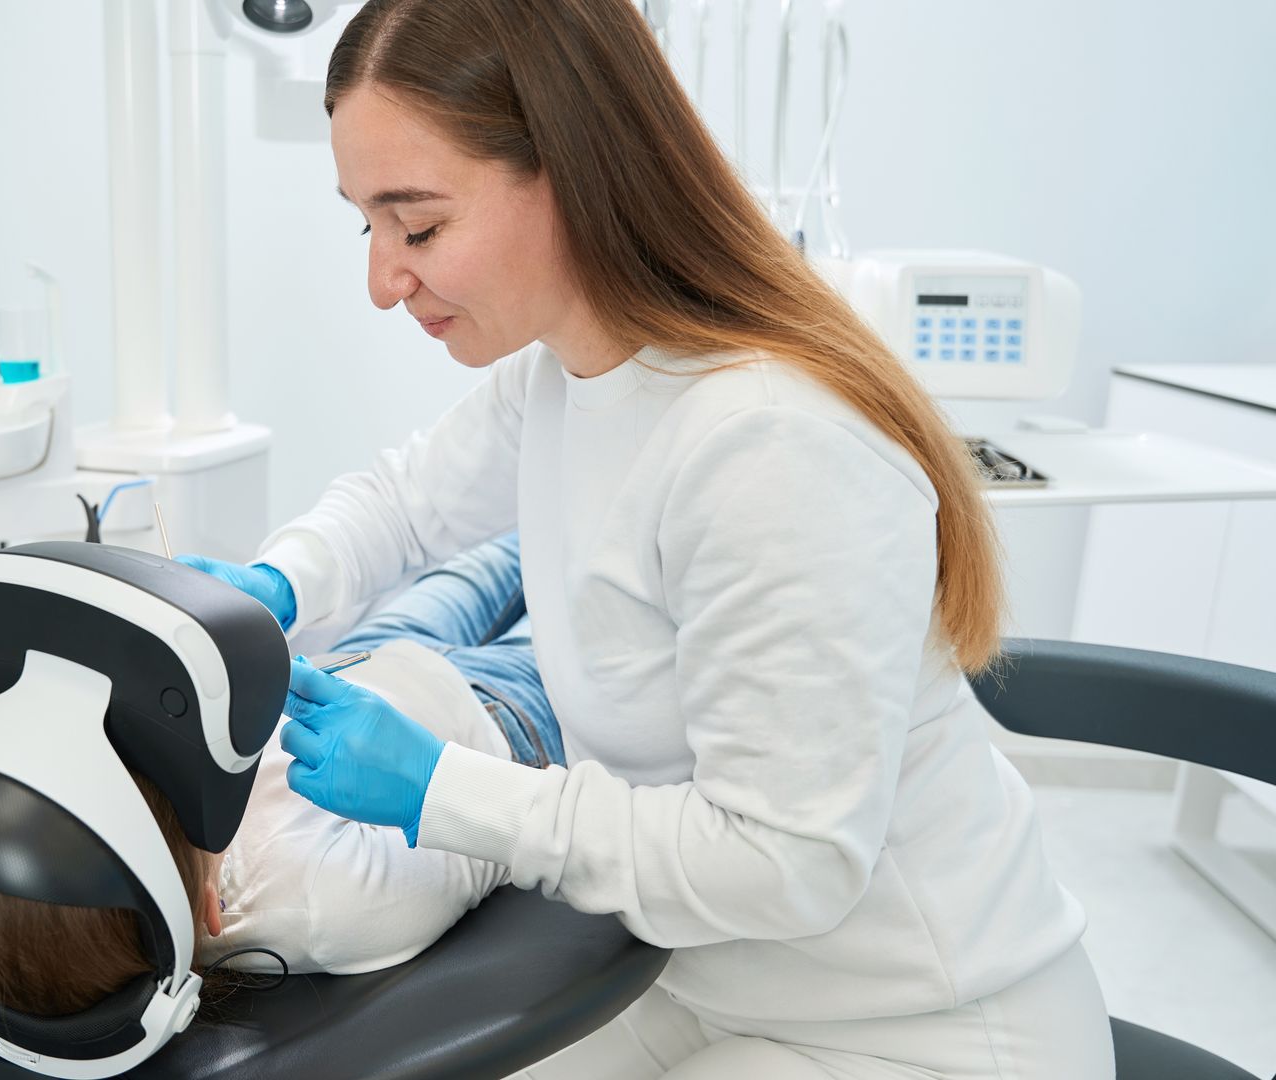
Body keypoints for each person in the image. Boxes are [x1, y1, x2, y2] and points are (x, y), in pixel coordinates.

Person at [175, 1, 1116, 1076]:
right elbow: (403, 501)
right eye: (367, 226)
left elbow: (788, 863)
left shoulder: (766, 445)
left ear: (573, 171)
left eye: (420, 225)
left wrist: (445, 791)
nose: (384, 281)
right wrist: (271, 587)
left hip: (916, 1025)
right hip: (701, 976)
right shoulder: (566, 375)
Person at [0, 536, 561, 1014]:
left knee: (515, 541)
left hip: (372, 650)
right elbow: (482, 845)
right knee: (567, 547)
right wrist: (426, 783)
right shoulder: (323, 903)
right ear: (209, 910)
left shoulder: (114, 803)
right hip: (500, 719)